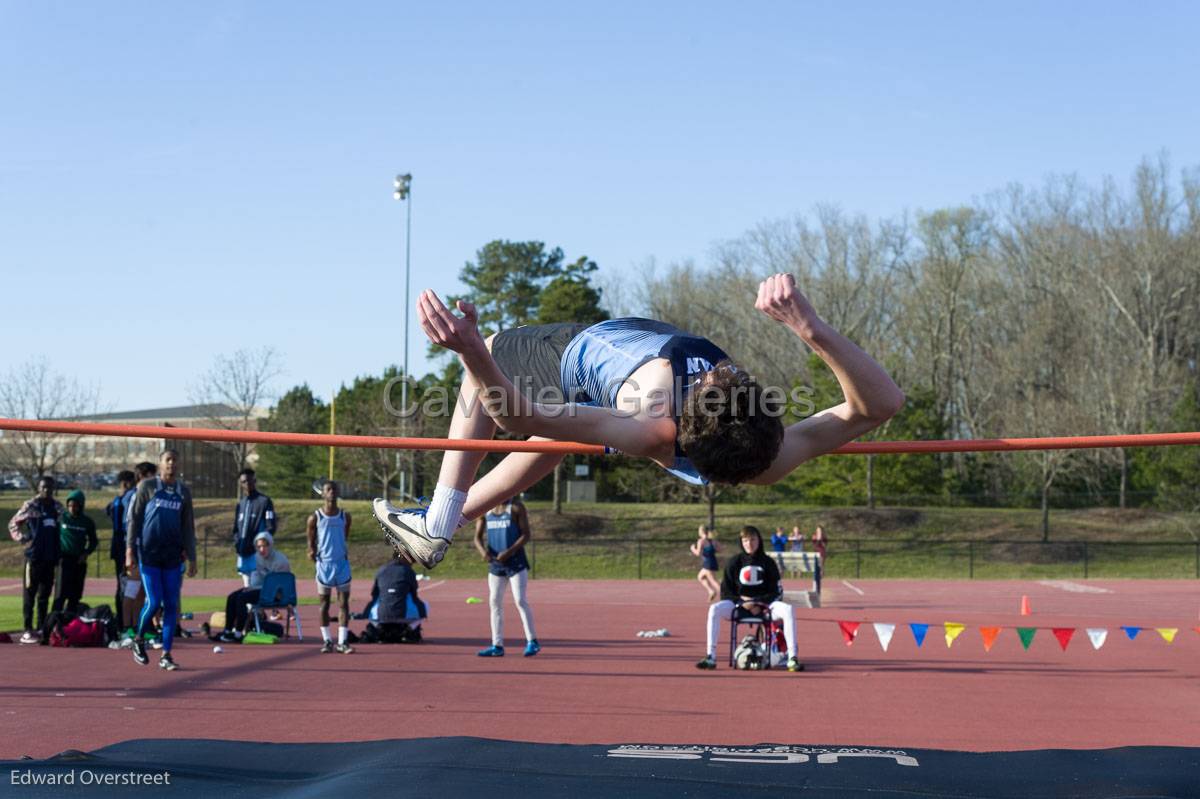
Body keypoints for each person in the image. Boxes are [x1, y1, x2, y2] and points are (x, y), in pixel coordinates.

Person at [374, 274, 904, 569]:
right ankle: (456, 519)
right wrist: (810, 330)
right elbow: (879, 405)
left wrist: (470, 350)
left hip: (576, 357)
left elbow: (513, 412)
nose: (731, 369)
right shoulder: (770, 456)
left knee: (490, 364)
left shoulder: (649, 417)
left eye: (724, 379)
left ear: (692, 402)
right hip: (619, 392)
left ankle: (437, 521)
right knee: (552, 440)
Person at [695, 525, 801, 672]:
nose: (749, 544)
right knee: (714, 609)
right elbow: (725, 592)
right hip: (739, 608)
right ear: (741, 542)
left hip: (765, 608)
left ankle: (792, 658)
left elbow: (777, 591)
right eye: (745, 540)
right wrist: (741, 602)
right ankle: (710, 656)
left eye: (752, 539)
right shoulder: (734, 562)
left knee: (788, 609)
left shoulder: (768, 562)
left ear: (759, 541)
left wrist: (760, 602)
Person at [127, 449, 196, 671]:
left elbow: (187, 527)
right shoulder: (147, 487)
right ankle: (139, 639)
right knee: (154, 601)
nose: (172, 464)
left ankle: (166, 654)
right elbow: (134, 519)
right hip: (149, 554)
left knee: (171, 605)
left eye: (175, 461)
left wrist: (192, 557)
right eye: (168, 460)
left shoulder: (183, 492)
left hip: (172, 557)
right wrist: (129, 550)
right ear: (160, 463)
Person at [473, 496, 539, 657]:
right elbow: (477, 537)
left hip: (515, 562)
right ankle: (497, 645)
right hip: (496, 564)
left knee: (520, 600)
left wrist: (509, 552)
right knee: (494, 601)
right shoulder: (485, 509)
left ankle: (532, 641)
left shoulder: (516, 507)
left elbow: (526, 535)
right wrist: (483, 552)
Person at [8, 476, 63, 644]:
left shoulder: (57, 507)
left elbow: (63, 527)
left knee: (44, 595)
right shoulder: (30, 506)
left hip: (50, 558)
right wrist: (23, 538)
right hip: (33, 557)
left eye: (50, 487)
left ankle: (41, 627)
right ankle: (27, 628)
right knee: (29, 594)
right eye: (44, 487)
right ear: (39, 488)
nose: (47, 491)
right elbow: (13, 524)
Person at [307, 479, 354, 654]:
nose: (332, 492)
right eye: (328, 489)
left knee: (343, 603)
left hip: (341, 563)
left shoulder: (345, 516)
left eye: (334, 489)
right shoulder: (315, 517)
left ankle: (343, 641)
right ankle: (327, 640)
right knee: (324, 604)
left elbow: (345, 536)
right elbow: (311, 543)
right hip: (324, 565)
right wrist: (312, 552)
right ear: (323, 493)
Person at [217, 532, 291, 642]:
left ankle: (238, 634)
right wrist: (251, 587)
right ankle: (227, 632)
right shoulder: (256, 558)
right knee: (232, 597)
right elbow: (255, 578)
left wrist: (255, 589)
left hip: (275, 594)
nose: (262, 549)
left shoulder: (281, 560)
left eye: (265, 546)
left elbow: (280, 584)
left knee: (242, 598)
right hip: (259, 589)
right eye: (259, 546)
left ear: (270, 545)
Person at [361, 555, 427, 643]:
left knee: (374, 603)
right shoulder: (408, 571)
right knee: (425, 606)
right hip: (403, 614)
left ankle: (378, 627)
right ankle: (409, 629)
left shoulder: (381, 570)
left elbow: (374, 593)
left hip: (381, 615)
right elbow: (414, 593)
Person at [52, 489, 97, 614]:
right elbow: (53, 536)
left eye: (75, 505)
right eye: (70, 505)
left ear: (81, 505)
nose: (72, 508)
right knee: (60, 593)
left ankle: (70, 621)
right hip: (64, 559)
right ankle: (54, 621)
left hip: (78, 561)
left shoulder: (87, 522)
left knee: (75, 594)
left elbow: (93, 541)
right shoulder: (61, 518)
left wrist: (86, 553)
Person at [231, 468, 276, 587]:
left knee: (256, 589)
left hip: (257, 554)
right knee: (247, 588)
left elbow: (270, 526)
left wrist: (260, 545)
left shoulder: (264, 501)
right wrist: (237, 543)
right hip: (243, 553)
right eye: (244, 481)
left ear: (255, 481)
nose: (247, 484)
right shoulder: (241, 504)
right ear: (240, 484)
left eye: (250, 480)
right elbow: (236, 528)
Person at [105, 470, 137, 628]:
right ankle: (128, 623)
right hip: (126, 546)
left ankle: (122, 621)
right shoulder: (130, 497)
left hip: (117, 546)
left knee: (122, 585)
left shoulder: (117, 500)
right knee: (130, 586)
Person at [689, 525, 721, 602]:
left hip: (708, 563)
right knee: (700, 577)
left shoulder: (701, 541)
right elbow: (720, 549)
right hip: (713, 561)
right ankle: (711, 591)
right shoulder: (713, 541)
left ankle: (725, 594)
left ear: (701, 532)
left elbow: (698, 553)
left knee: (713, 580)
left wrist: (693, 549)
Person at [811, 524, 828, 594]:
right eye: (818, 530)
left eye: (820, 530)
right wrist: (817, 539)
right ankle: (816, 579)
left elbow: (825, 545)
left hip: (821, 553)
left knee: (821, 566)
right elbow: (814, 544)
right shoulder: (814, 535)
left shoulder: (824, 537)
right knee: (816, 567)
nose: (819, 531)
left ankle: (819, 579)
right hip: (816, 553)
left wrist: (821, 540)